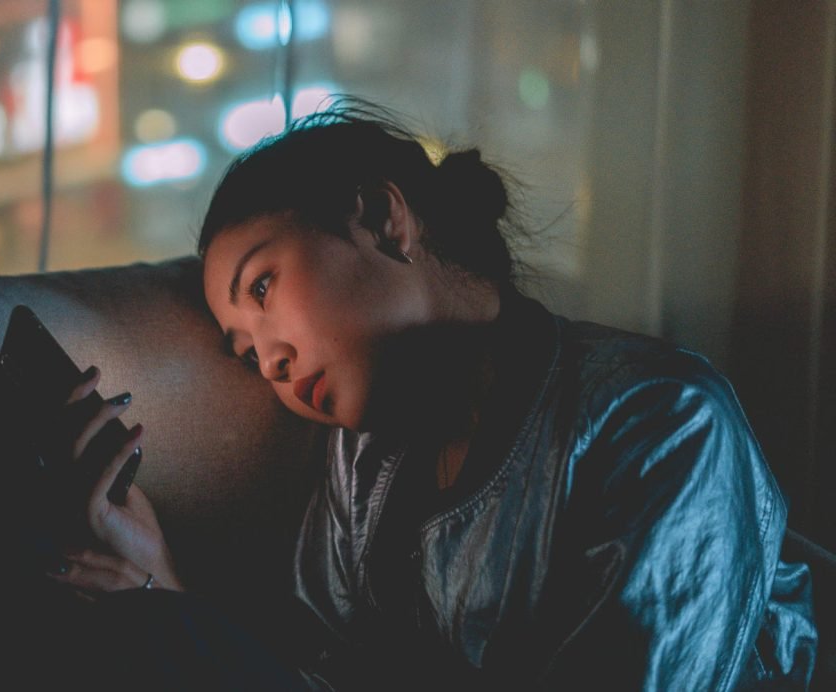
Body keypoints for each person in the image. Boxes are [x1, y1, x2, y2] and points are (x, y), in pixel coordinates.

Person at [49, 101, 818, 689]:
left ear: (385, 220)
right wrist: (162, 587)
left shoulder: (660, 420)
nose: (272, 364)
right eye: (245, 353)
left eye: (263, 285)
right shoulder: (362, 467)